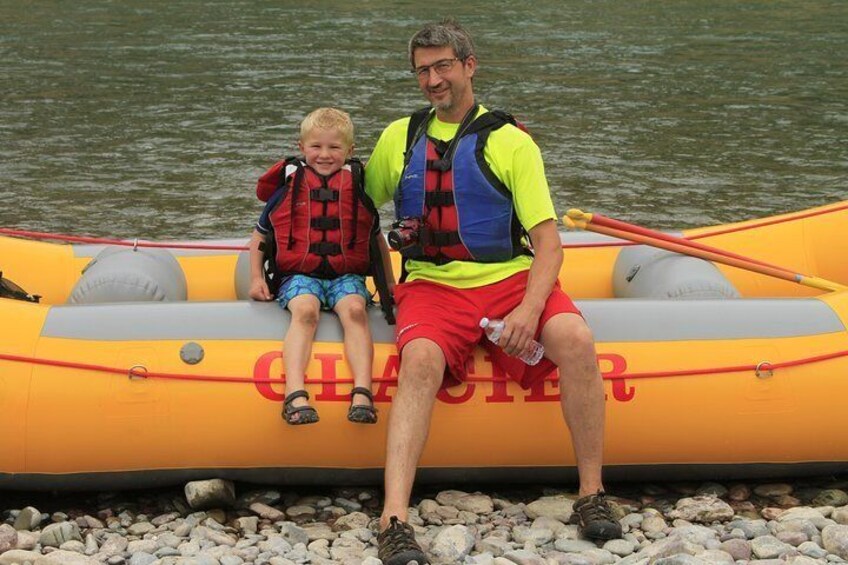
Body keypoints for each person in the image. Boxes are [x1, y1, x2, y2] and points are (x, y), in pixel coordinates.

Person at [365, 20, 622, 564]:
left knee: (575, 337)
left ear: (469, 66)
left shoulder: (510, 142)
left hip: (509, 279)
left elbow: (549, 246)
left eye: (442, 67)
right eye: (422, 71)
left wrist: (530, 309)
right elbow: (356, 207)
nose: (433, 80)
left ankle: (593, 494)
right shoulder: (399, 138)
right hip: (432, 285)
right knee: (418, 364)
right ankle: (393, 519)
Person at [249, 107, 391, 426]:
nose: (324, 155)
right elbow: (260, 235)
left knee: (355, 310)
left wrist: (391, 287)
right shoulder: (288, 188)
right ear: (302, 148)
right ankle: (295, 392)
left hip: (346, 276)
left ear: (350, 151)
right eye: (316, 146)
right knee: (305, 312)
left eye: (334, 147)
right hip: (299, 275)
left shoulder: (358, 189)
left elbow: (376, 240)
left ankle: (363, 393)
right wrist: (256, 277)